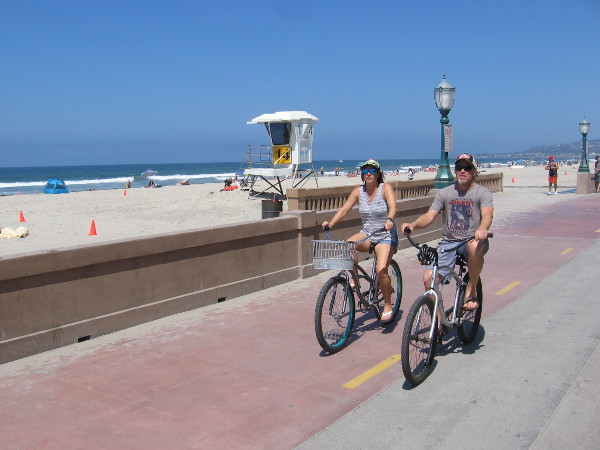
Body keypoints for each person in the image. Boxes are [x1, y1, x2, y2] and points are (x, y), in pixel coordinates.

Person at [401, 153, 493, 311]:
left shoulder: (482, 193)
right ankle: (437, 323)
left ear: (473, 172)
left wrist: (482, 229)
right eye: (459, 168)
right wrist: (413, 224)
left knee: (474, 245)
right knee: (428, 278)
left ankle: (471, 288)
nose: (462, 171)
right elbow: (430, 215)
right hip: (449, 243)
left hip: (472, 240)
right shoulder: (445, 193)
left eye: (467, 168)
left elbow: (487, 215)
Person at [321, 159, 398, 323]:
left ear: (378, 174)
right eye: (365, 171)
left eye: (372, 171)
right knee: (347, 245)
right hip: (368, 234)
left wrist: (390, 219)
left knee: (381, 269)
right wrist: (331, 223)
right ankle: (355, 282)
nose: (368, 174)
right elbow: (344, 210)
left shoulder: (385, 188)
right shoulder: (358, 191)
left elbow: (393, 206)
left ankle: (388, 305)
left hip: (385, 235)